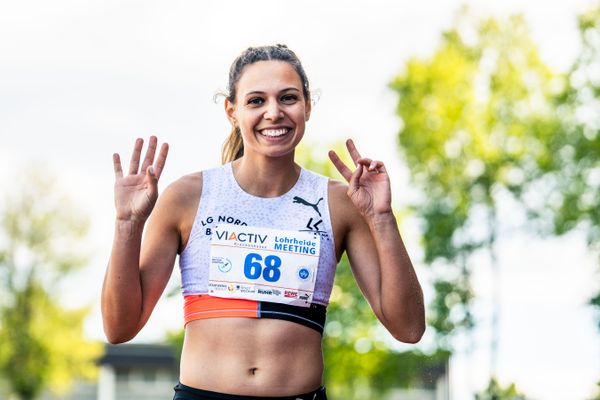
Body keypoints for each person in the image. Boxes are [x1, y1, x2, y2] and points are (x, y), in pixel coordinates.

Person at [101, 44, 425, 400]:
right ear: (232, 111)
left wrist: (382, 219)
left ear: (307, 106)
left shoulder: (340, 202)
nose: (274, 113)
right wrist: (127, 225)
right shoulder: (187, 196)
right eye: (256, 101)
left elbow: (408, 329)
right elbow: (119, 328)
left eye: (288, 98)